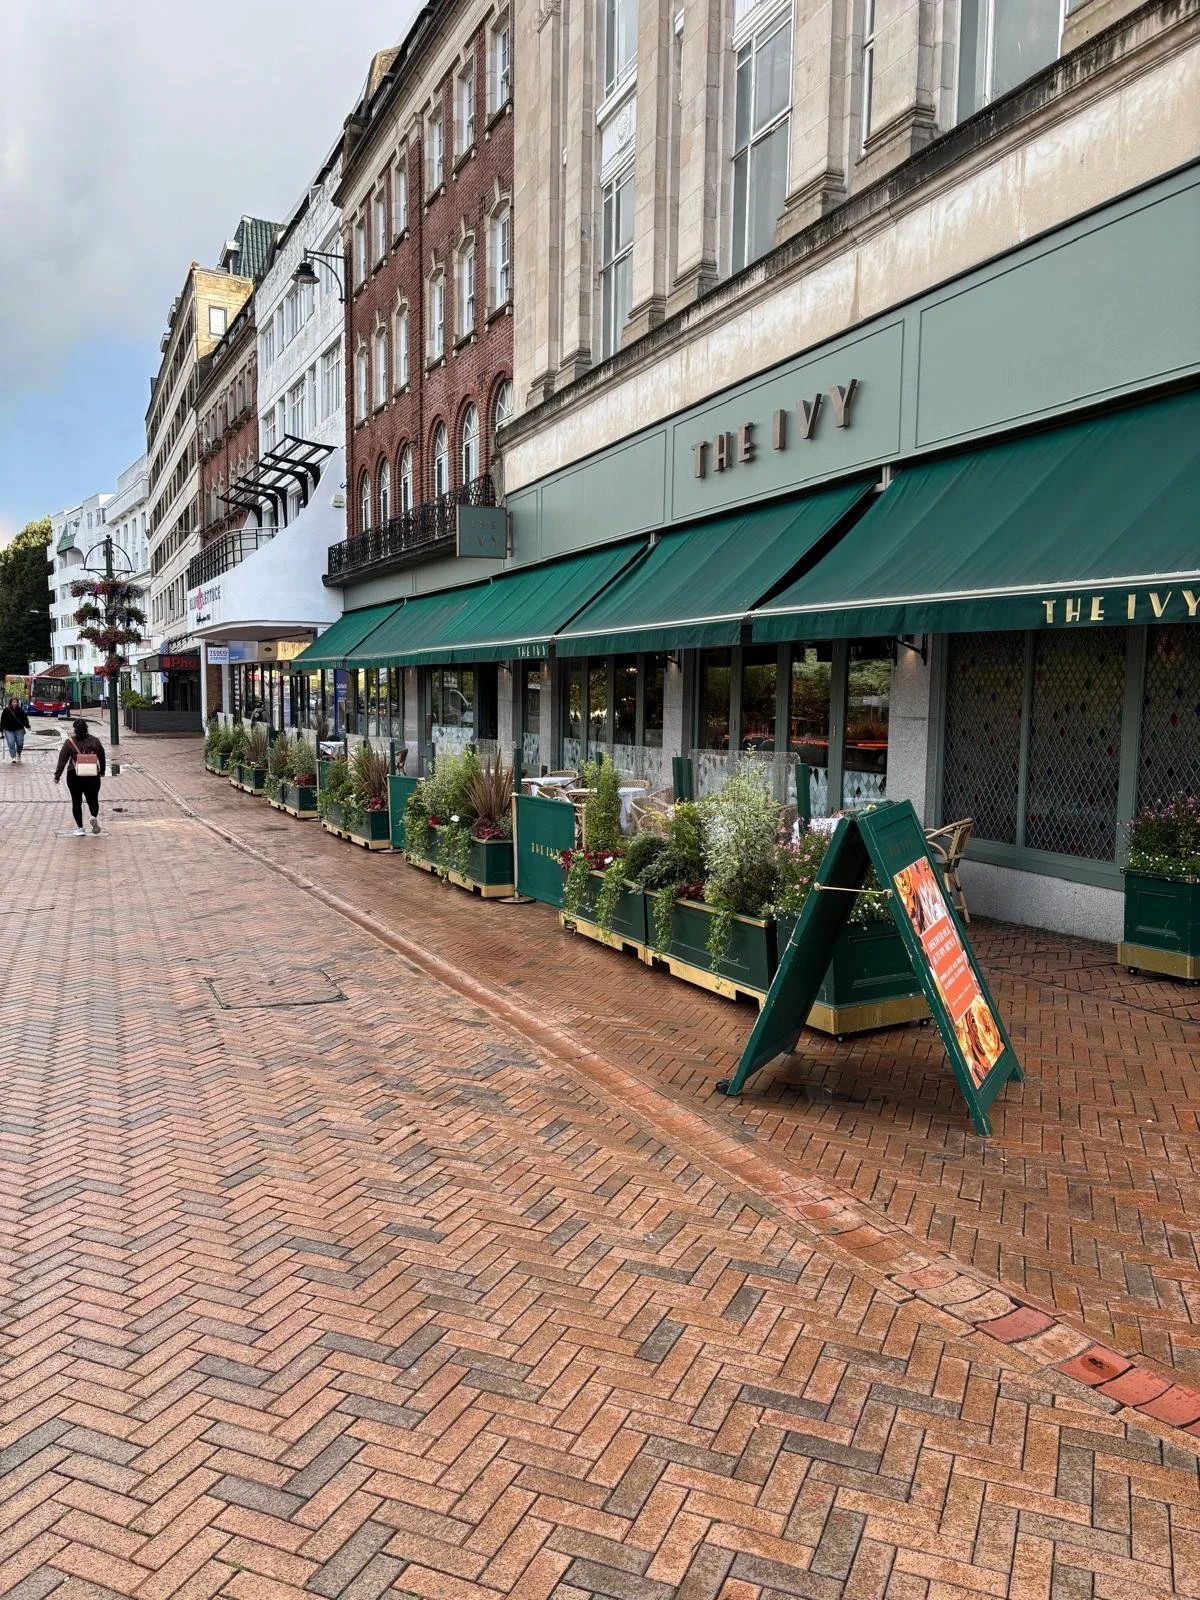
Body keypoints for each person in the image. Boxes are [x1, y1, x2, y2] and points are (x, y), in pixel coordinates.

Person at [54, 719, 107, 836]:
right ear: (86, 728)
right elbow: (102, 757)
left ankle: (80, 828)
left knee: (76, 801)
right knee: (93, 799)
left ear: (75, 729)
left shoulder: (69, 742)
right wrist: (102, 771)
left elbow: (62, 759)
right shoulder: (95, 741)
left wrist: (57, 775)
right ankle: (93, 816)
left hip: (74, 775)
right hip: (92, 775)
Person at [1, 697, 30, 763]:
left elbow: (25, 719)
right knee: (11, 743)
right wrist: (1, 730)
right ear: (10, 703)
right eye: (13, 702)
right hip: (8, 729)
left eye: (16, 702)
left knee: (20, 744)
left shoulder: (20, 710)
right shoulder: (6, 710)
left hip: (19, 729)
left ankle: (18, 753)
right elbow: (2, 720)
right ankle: (13, 757)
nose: (15, 703)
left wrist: (27, 726)